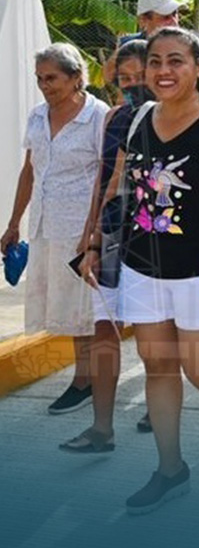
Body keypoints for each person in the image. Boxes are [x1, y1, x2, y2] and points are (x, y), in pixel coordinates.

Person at [81, 26, 199, 514]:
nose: (164, 71)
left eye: (177, 61)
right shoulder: (139, 119)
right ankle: (170, 469)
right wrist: (98, 242)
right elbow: (119, 188)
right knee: (159, 365)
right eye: (157, 61)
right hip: (145, 267)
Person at [3, 44, 109, 417]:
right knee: (65, 302)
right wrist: (14, 223)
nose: (45, 86)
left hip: (79, 224)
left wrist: (93, 229)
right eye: (40, 79)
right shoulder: (37, 116)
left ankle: (84, 380)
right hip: (46, 223)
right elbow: (30, 171)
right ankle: (86, 377)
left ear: (76, 77)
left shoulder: (98, 117)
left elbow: (105, 175)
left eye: (52, 78)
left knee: (82, 304)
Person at [58, 40, 152, 451]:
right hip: (114, 232)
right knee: (103, 328)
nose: (132, 87)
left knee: (154, 334)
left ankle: (158, 400)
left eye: (139, 78)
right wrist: (91, 233)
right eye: (124, 79)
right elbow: (106, 182)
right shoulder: (114, 118)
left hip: (157, 236)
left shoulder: (179, 118)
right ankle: (101, 429)